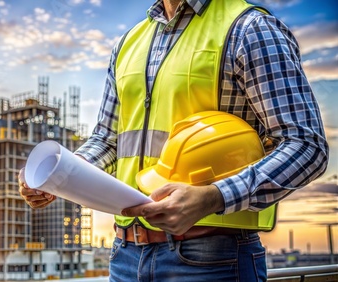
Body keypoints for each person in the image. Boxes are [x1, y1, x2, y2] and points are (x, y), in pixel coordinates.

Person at [19, 0, 329, 280]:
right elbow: (108, 139)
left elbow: (306, 145)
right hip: (124, 255)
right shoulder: (129, 43)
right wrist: (62, 174)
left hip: (212, 258)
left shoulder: (250, 30)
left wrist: (213, 197)